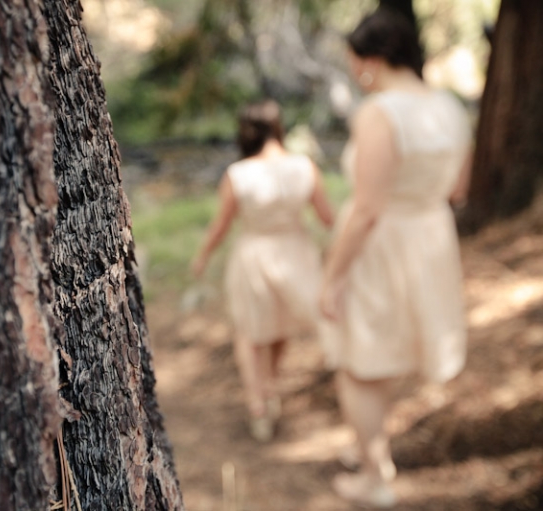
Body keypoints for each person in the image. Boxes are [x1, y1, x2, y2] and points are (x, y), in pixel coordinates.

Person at [319, 7, 473, 508]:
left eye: (354, 61)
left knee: (360, 361)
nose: (353, 71)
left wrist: (332, 277)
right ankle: (369, 443)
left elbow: (367, 209)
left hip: (381, 243)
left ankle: (375, 476)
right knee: (395, 345)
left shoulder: (380, 112)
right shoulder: (449, 106)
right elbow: (459, 188)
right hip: (431, 235)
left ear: (372, 60)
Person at [192, 100, 334, 442]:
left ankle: (259, 403)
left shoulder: (238, 173)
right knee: (279, 325)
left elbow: (221, 225)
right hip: (296, 253)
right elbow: (328, 217)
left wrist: (203, 256)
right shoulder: (305, 166)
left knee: (251, 332)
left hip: (254, 253)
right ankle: (269, 389)